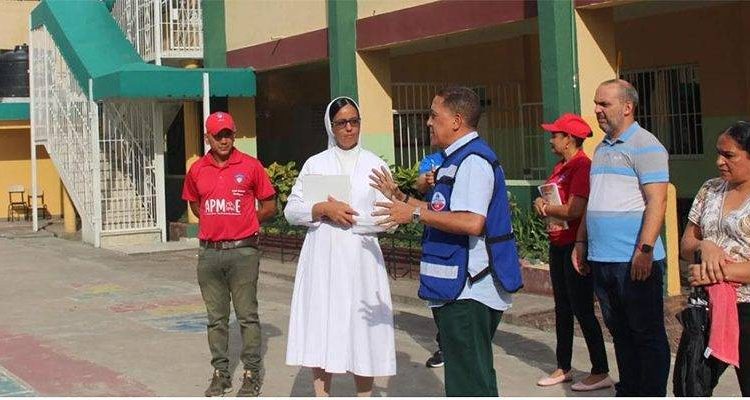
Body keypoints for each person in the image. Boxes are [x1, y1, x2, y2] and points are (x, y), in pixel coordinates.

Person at [370, 86, 523, 396]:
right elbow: (442, 210)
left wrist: (413, 215)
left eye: (433, 115)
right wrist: (401, 198)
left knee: (469, 383)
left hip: (469, 291)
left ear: (456, 121)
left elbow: (472, 221)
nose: (428, 122)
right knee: (472, 376)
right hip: (456, 288)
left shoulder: (473, 162)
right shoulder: (455, 160)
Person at [284, 96, 396, 397]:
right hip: (323, 258)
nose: (349, 128)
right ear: (330, 127)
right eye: (342, 123)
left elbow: (391, 219)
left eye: (354, 121)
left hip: (362, 259)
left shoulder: (375, 165)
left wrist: (357, 215)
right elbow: (291, 210)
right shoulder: (316, 164)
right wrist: (322, 208)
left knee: (363, 330)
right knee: (322, 324)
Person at [571, 79, 671, 396]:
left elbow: (658, 201)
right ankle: (629, 389)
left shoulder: (647, 145)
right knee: (620, 331)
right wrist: (581, 242)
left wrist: (645, 249)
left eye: (604, 104)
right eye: (596, 103)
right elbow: (595, 200)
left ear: (627, 107)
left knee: (646, 334)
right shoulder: (601, 148)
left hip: (634, 260)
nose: (597, 110)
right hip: (603, 258)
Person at [182, 111, 277, 397]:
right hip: (209, 254)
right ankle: (220, 374)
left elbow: (270, 205)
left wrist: (246, 222)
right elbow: (196, 205)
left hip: (243, 252)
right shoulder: (197, 170)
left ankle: (251, 373)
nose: (224, 140)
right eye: (218, 135)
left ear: (234, 135)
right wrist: (218, 221)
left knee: (247, 315)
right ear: (207, 138)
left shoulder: (250, 166)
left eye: (228, 134)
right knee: (216, 319)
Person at [533, 114, 611, 391]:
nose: (551, 140)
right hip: (557, 242)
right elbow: (554, 199)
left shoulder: (581, 167)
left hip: (574, 245)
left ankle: (600, 369)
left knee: (582, 308)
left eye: (555, 135)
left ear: (569, 139)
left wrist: (547, 208)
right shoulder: (560, 167)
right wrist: (541, 202)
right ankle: (562, 366)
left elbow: (575, 210)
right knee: (563, 308)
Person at [682, 121, 750, 396]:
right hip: (706, 304)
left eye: (729, 155)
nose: (719, 161)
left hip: (746, 307)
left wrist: (715, 272)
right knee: (689, 384)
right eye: (718, 153)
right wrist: (705, 246)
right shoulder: (710, 189)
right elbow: (686, 245)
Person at [416, 151, 446, 369]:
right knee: (436, 291)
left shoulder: (469, 156)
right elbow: (419, 187)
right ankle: (444, 345)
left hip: (458, 234)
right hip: (434, 233)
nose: (431, 134)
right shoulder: (432, 159)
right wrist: (427, 181)